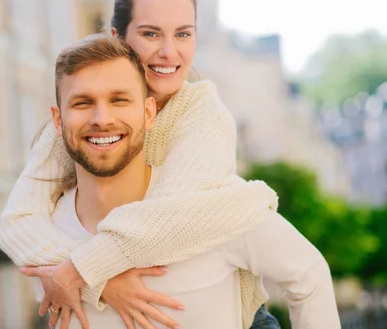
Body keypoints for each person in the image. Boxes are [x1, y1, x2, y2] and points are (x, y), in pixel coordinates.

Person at [0, 0, 294, 329]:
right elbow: (17, 223)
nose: (169, 51)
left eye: (183, 34)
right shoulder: (85, 123)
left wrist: (81, 272)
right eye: (151, 33)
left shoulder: (205, 116)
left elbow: (163, 223)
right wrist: (103, 284)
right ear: (118, 38)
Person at [27, 34, 340, 328]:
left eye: (119, 100)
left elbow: (309, 275)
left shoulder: (205, 207)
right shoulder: (48, 232)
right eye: (82, 103)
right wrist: (98, 282)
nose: (101, 119)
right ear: (58, 120)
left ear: (149, 113)